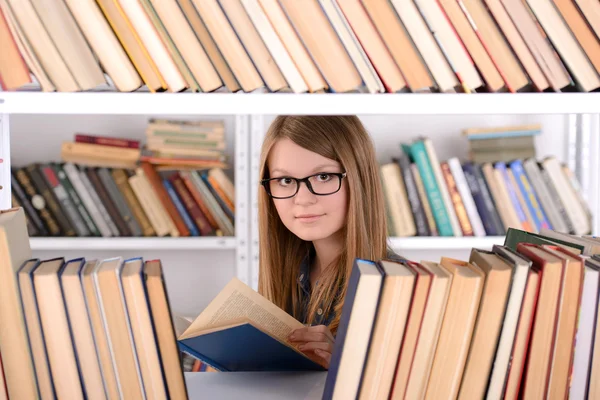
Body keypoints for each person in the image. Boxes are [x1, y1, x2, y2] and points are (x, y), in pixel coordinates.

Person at [257, 115, 401, 369]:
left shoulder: (404, 288)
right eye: (286, 181)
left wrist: (345, 372)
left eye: (323, 177)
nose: (302, 199)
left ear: (359, 180)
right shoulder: (289, 276)